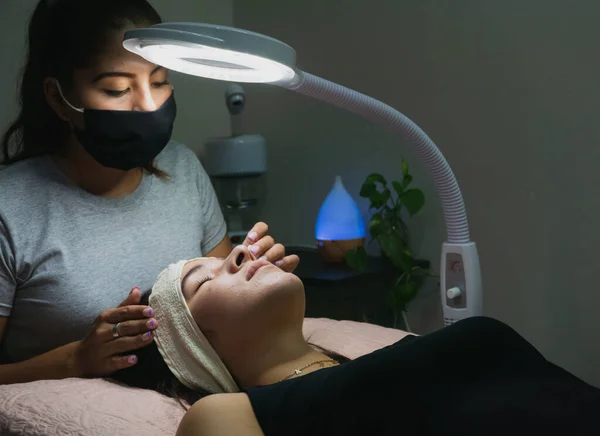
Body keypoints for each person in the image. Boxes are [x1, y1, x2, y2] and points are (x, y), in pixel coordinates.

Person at [0, 0, 298, 385]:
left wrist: (257, 275)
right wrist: (74, 360)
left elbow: (226, 317)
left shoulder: (183, 169)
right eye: (117, 88)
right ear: (59, 99)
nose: (148, 105)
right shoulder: (10, 209)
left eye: (158, 81)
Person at [113, 245, 600, 436]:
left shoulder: (382, 362)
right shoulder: (220, 415)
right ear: (199, 345)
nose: (239, 252)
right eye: (204, 280)